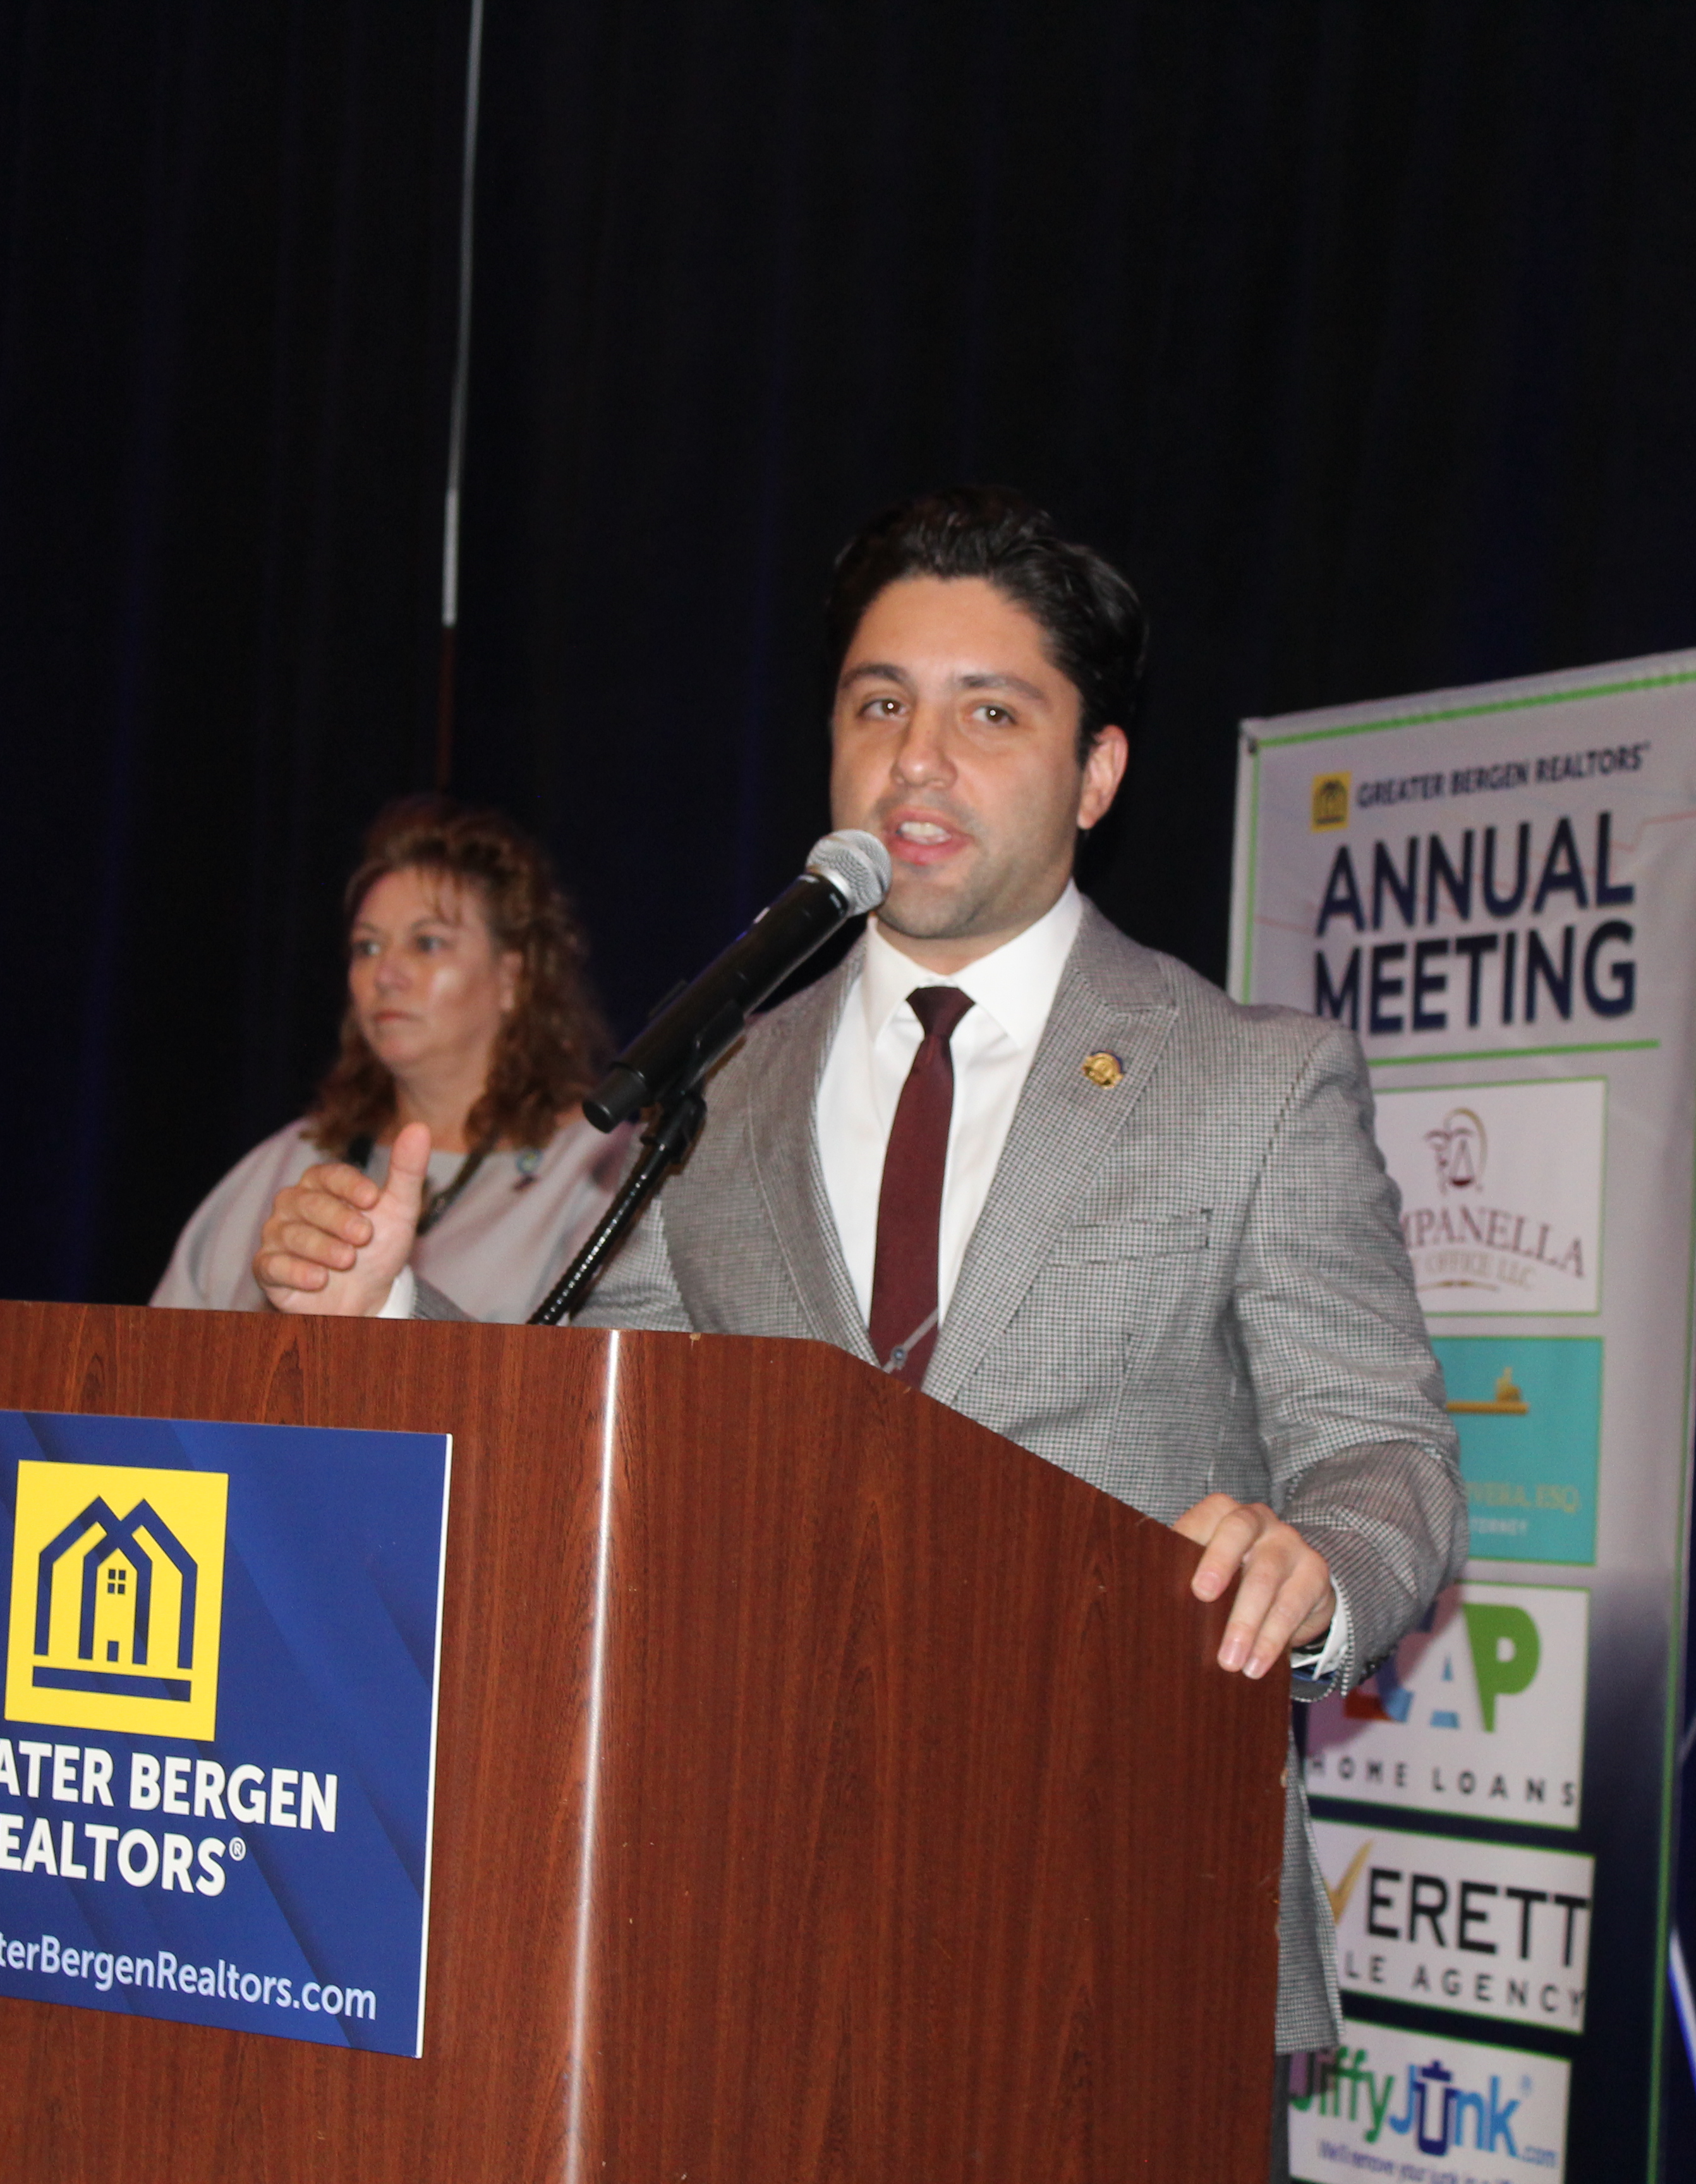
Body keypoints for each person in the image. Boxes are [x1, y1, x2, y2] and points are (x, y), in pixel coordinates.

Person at [253, 489, 1462, 2114]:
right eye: (879, 705)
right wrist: (392, 1313)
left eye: (990, 713)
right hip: (744, 1915)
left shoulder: (1252, 1081)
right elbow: (605, 1425)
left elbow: (1386, 1451)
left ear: (1097, 773)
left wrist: (1316, 1572)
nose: (918, 759)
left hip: (1116, 1922)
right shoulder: (724, 1081)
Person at [151, 796, 630, 1323]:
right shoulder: (292, 1160)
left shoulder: (596, 1171)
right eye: (368, 948)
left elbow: (595, 1370)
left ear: (513, 977)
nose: (386, 975)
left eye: (427, 944)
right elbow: (159, 1354)